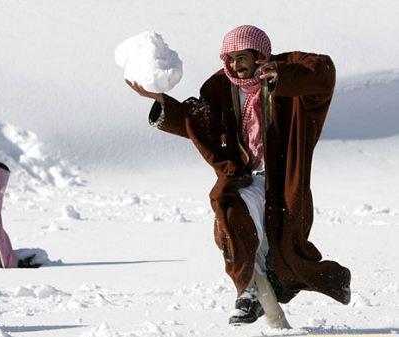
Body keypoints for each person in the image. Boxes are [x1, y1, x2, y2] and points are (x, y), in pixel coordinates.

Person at [126, 25, 351, 328]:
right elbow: (197, 121)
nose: (235, 65)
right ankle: (249, 295)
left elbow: (324, 73)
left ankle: (319, 283)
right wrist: (161, 100)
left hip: (282, 182)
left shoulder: (284, 77)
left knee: (283, 255)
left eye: (241, 57)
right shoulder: (221, 87)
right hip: (244, 179)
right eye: (229, 58)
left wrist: (283, 75)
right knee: (232, 219)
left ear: (259, 55)